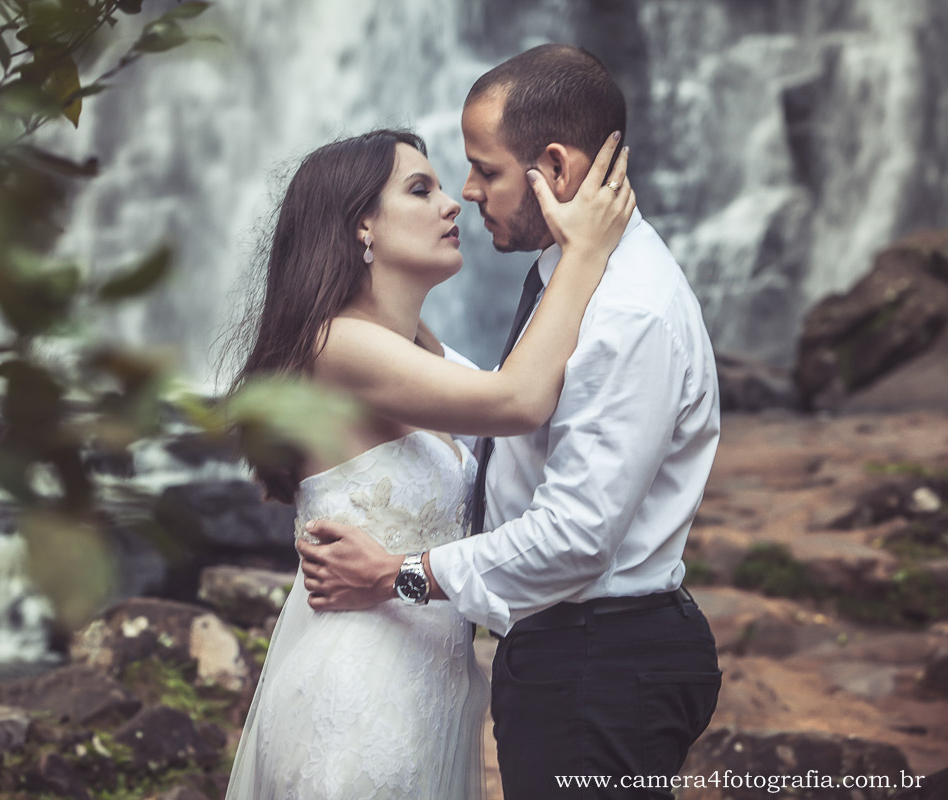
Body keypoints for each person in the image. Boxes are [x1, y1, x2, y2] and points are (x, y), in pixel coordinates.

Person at [298, 45, 722, 800]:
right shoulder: (572, 283)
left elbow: (575, 538)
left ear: (555, 170)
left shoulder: (622, 311)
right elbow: (500, 401)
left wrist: (396, 576)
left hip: (602, 665)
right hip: (565, 661)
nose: (465, 194)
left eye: (484, 169)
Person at [223, 125, 633, 800]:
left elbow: (523, 418)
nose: (454, 205)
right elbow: (519, 398)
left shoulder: (422, 352)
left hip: (427, 690)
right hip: (358, 697)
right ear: (362, 226)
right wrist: (584, 250)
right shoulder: (336, 346)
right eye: (422, 189)